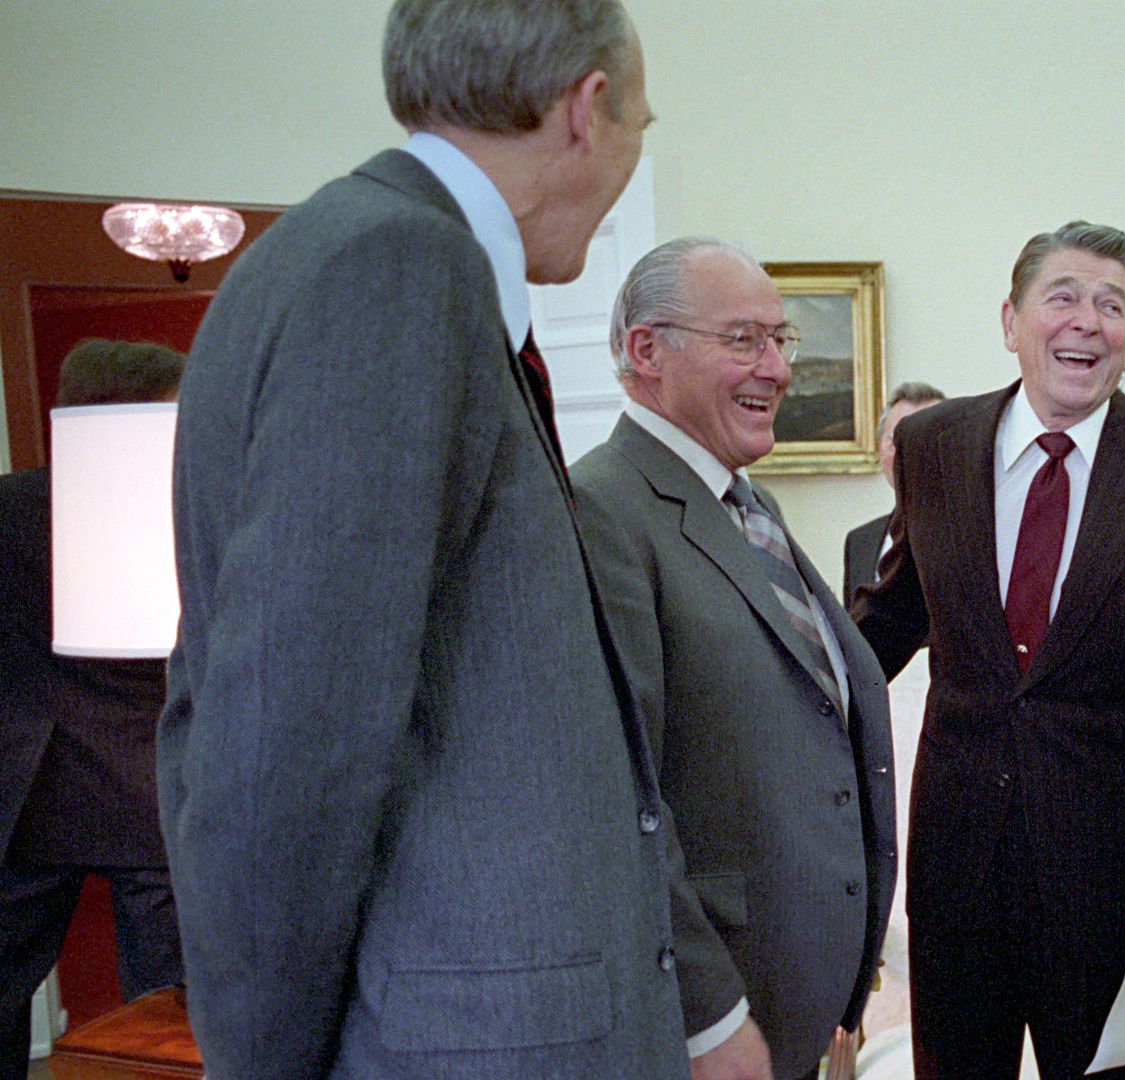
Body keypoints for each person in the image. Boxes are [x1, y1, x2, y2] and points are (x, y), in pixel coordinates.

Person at [158, 2, 686, 1075]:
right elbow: (286, 738)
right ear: (587, 110)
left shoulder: (338, 249)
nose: (634, 148)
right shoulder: (399, 268)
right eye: (642, 120)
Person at [853, 221, 1125, 1079]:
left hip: (1111, 876)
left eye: (1112, 306)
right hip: (959, 862)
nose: (1087, 322)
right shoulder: (933, 449)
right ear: (1012, 320)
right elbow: (888, 624)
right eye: (1063, 297)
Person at [573, 237, 896, 1080]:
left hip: (788, 1007)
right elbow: (616, 798)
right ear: (648, 350)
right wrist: (708, 1015)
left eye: (780, 340)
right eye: (744, 339)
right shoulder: (599, 508)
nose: (779, 369)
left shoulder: (745, 502)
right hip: (705, 1019)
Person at [0, 340, 185, 1080]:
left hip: (25, 780)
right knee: (167, 1011)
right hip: (146, 783)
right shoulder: (180, 508)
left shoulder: (6, 505)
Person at [842, 381, 946, 604]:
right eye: (898, 440)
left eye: (927, 439)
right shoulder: (860, 542)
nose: (911, 453)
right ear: (880, 448)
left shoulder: (976, 535)